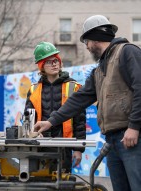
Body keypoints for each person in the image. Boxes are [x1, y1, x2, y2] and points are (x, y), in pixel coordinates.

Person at [33, 15, 141, 191]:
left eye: (87, 42)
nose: (87, 47)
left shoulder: (127, 52)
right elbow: (79, 98)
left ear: (95, 37)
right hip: (113, 140)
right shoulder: (99, 70)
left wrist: (134, 126)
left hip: (132, 138)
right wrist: (51, 121)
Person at [24, 41, 86, 173]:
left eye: (56, 60)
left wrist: (78, 149)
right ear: (41, 67)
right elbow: (29, 119)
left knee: (62, 183)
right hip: (40, 146)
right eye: (49, 61)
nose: (54, 64)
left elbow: (80, 121)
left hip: (65, 146)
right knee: (40, 182)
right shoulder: (33, 89)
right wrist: (32, 135)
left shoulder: (73, 87)